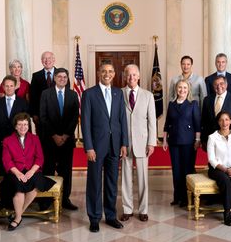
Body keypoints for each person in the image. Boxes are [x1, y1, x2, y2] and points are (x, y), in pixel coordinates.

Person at [81, 63, 128, 232]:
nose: (107, 74)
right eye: (103, 71)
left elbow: (122, 119)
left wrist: (124, 143)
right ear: (98, 73)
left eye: (110, 71)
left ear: (114, 74)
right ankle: (94, 217)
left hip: (115, 145)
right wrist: (88, 147)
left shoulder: (118, 93)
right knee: (94, 182)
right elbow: (85, 123)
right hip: (96, 146)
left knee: (111, 183)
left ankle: (110, 215)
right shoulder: (89, 94)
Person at [1, 113, 56, 230]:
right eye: (20, 124)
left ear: (28, 126)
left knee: (35, 186)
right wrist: (18, 173)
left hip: (33, 170)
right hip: (15, 172)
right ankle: (18, 218)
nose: (23, 127)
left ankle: (17, 216)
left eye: (25, 124)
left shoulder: (35, 138)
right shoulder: (7, 141)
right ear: (15, 126)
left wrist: (31, 171)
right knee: (19, 190)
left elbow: (40, 158)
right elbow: (7, 160)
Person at [120, 64, 156, 222]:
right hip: (124, 142)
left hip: (142, 142)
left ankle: (143, 209)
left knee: (142, 178)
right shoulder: (118, 94)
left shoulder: (148, 95)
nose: (131, 78)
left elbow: (152, 121)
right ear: (124, 76)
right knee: (126, 178)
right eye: (128, 75)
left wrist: (152, 143)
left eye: (134, 75)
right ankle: (127, 209)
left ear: (139, 77)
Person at [40, 68, 79, 210]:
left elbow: (75, 117)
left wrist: (65, 135)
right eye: (60, 77)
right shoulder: (45, 94)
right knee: (48, 169)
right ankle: (46, 199)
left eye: (65, 77)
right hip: (50, 139)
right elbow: (43, 117)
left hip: (67, 140)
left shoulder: (73, 95)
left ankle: (65, 199)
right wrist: (55, 135)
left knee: (66, 171)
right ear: (55, 78)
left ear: (67, 79)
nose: (62, 79)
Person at [163, 79, 201, 207]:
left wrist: (197, 140)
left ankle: (187, 198)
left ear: (188, 89)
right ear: (176, 89)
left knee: (187, 170)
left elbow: (197, 124)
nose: (182, 90)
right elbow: (167, 123)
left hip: (188, 142)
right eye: (180, 87)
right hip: (173, 141)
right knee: (176, 170)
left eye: (185, 88)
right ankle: (177, 196)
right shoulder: (171, 104)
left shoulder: (193, 104)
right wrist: (164, 140)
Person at [0, 75, 29, 176]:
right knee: (4, 169)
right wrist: (1, 138)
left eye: (11, 86)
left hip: (18, 141)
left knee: (18, 169)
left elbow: (25, 123)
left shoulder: (23, 102)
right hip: (1, 141)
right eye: (6, 86)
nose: (9, 88)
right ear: (3, 87)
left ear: (15, 86)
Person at [30, 51, 69, 136]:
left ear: (54, 60)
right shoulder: (36, 76)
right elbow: (33, 97)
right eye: (45, 58)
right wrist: (34, 114)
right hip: (41, 116)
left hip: (59, 116)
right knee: (43, 141)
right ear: (41, 60)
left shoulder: (63, 75)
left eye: (49, 58)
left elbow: (67, 96)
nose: (47, 60)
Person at [201, 75, 231, 150]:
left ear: (226, 85)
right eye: (216, 84)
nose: (219, 86)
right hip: (212, 140)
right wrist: (204, 139)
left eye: (221, 84)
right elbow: (204, 121)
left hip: (230, 140)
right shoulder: (207, 100)